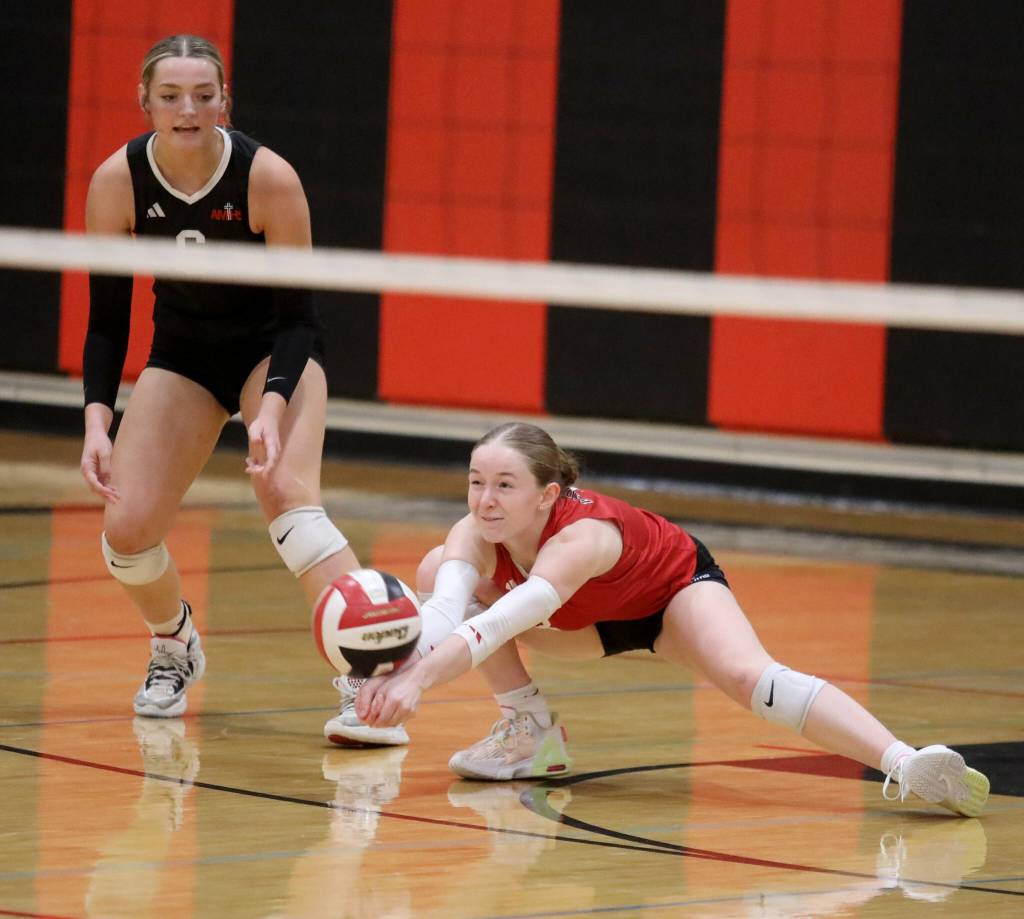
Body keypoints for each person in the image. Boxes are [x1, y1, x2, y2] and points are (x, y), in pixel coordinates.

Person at [353, 422, 990, 817]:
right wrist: (393, 671)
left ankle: (907, 765)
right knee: (441, 571)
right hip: (587, 627)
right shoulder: (475, 530)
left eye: (505, 485)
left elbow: (498, 625)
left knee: (752, 680)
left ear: (548, 494)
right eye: (476, 482)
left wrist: (415, 685)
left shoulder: (583, 538)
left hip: (670, 596)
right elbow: (441, 612)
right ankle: (530, 732)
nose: (485, 500)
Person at [78, 34, 385, 744]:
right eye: (171, 96)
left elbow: (300, 320)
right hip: (184, 357)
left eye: (204, 95)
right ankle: (173, 643)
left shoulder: (268, 178)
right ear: (146, 102)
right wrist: (97, 422)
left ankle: (367, 676)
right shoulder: (117, 180)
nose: (188, 110)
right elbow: (104, 323)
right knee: (125, 528)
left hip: (271, 354)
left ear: (225, 100)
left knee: (286, 494)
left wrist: (271, 407)